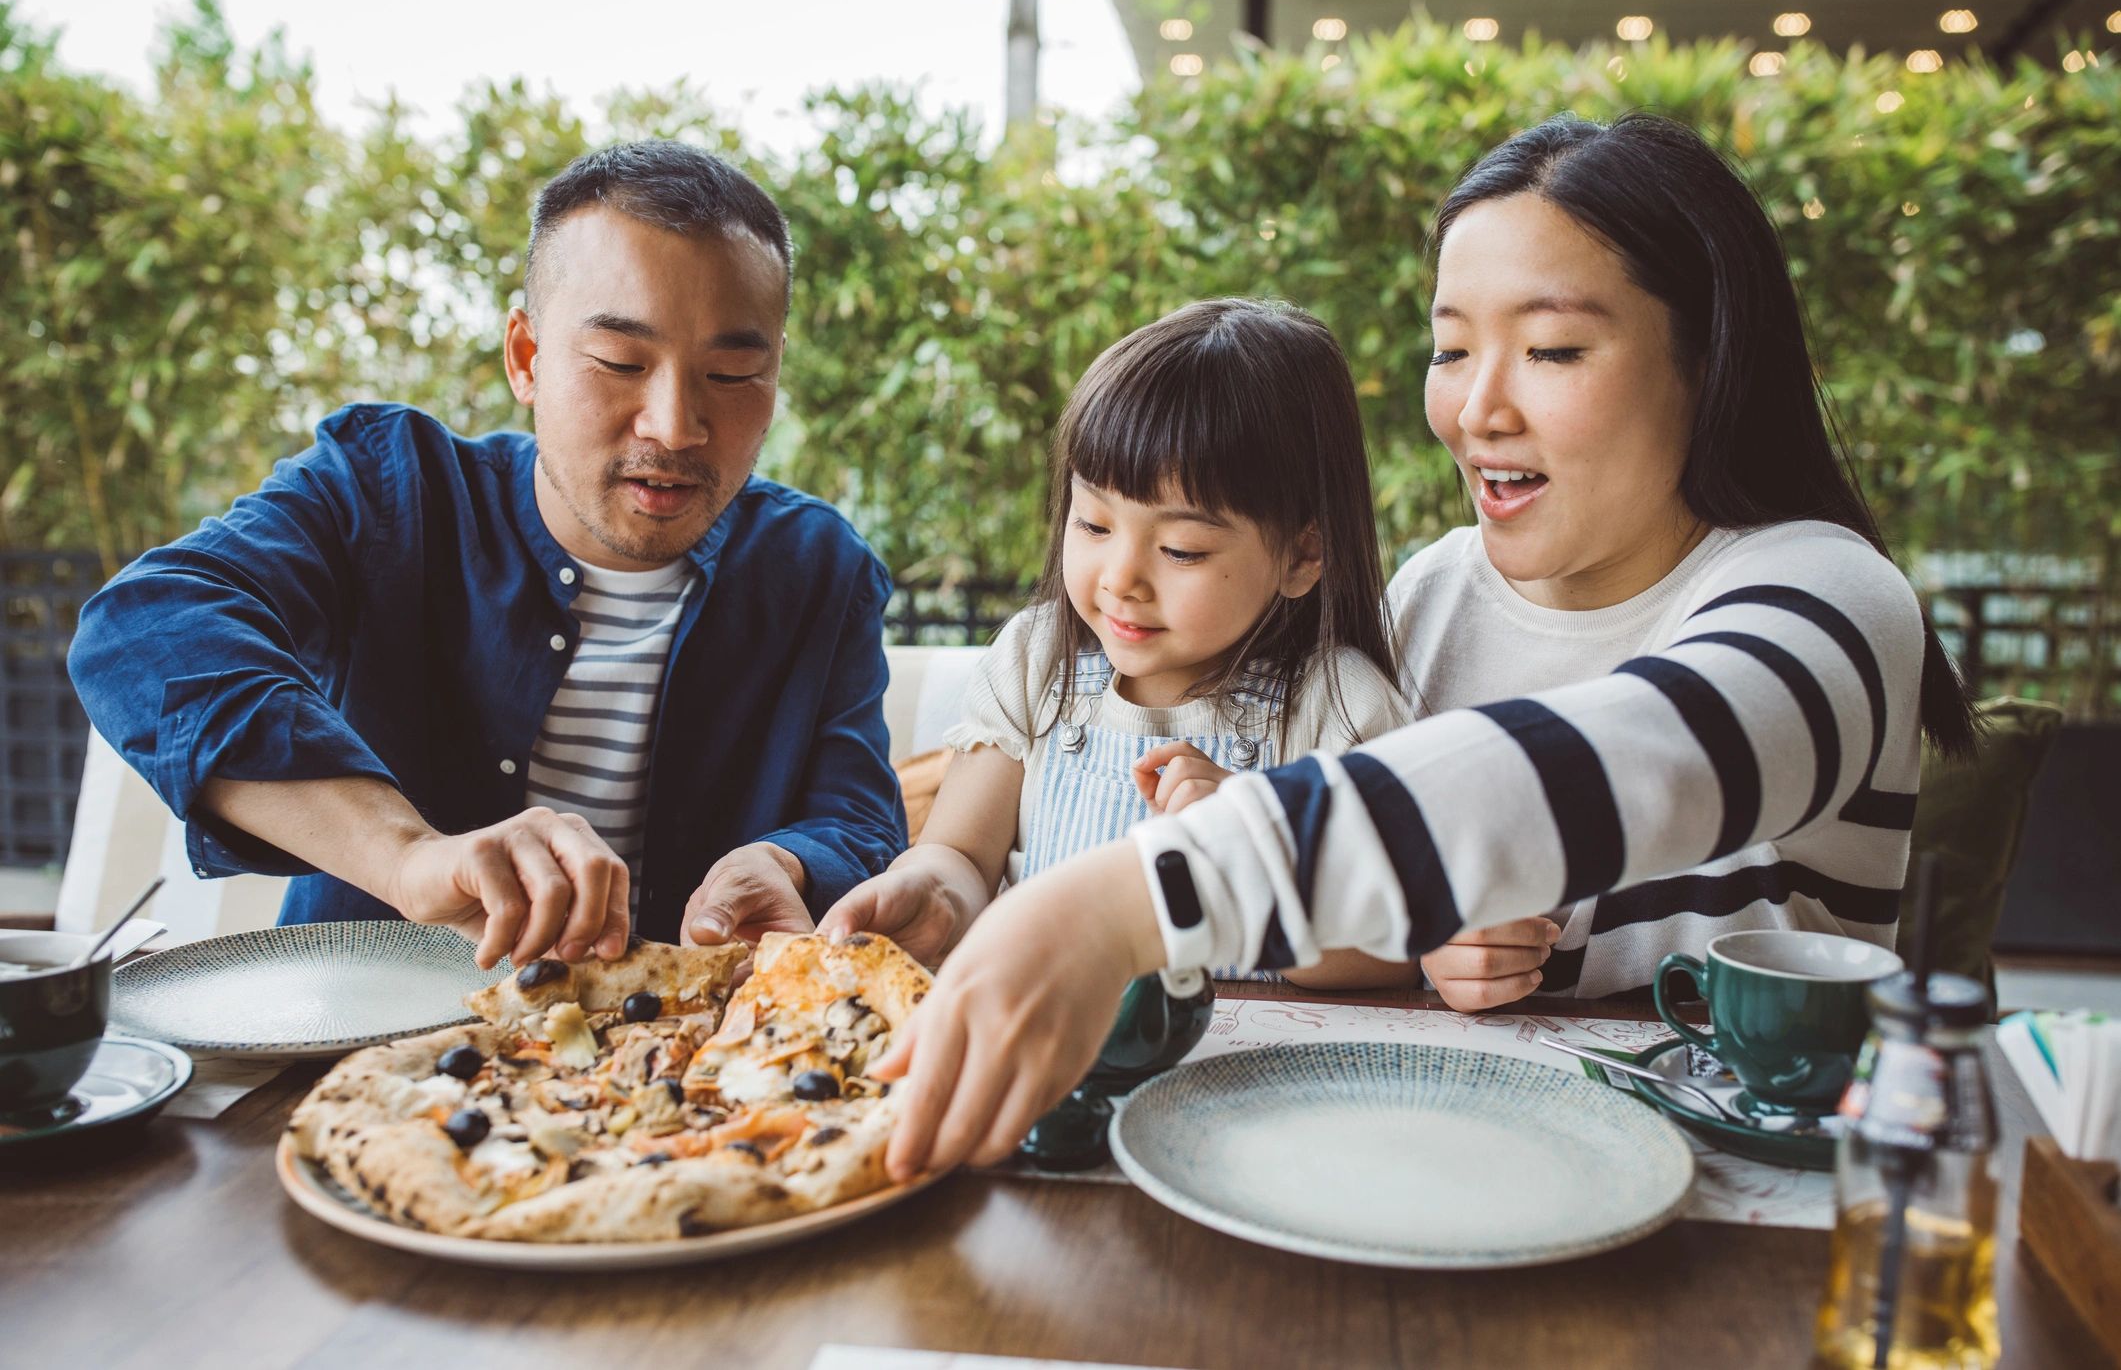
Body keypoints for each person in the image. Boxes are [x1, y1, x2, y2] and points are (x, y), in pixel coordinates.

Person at [872, 111, 1976, 1178]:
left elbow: (1644, 758)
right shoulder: (1436, 596)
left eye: (1550, 348)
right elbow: (1405, 863)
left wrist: (1127, 900)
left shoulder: (1831, 591)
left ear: (1710, 360)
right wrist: (1436, 935)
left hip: (1771, 1200)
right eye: (1451, 349)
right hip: (1456, 1163)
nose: (1474, 409)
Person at [69, 141, 906, 970]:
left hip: (685, 1065)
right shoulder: (389, 490)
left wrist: (789, 862)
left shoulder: (818, 569)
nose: (675, 426)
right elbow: (145, 628)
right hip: (365, 1043)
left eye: (731, 375)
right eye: (620, 362)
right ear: (526, 358)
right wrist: (407, 857)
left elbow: (859, 818)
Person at [815, 300, 1412, 986]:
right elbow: (960, 855)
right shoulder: (1038, 665)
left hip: (1259, 1080)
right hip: (1064, 1067)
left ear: (1302, 555)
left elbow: (1390, 953)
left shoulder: (1338, 707)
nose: (1121, 579)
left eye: (1180, 549)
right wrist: (930, 895)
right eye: (1094, 525)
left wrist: (1256, 850)